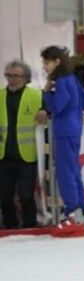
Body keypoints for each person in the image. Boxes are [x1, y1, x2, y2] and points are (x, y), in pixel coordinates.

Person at [41, 46, 84, 237]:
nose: (44, 67)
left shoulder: (61, 80)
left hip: (64, 130)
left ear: (57, 61)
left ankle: (72, 214)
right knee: (74, 171)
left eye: (46, 62)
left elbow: (58, 106)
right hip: (75, 128)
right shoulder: (72, 78)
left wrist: (47, 93)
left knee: (65, 172)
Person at [0, 60, 48, 229]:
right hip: (4, 155)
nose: (11, 79)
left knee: (26, 195)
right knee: (4, 197)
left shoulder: (37, 95)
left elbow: (52, 106)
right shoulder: (0, 95)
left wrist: (46, 110)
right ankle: (11, 227)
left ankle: (29, 226)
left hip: (27, 155)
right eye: (8, 75)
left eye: (16, 76)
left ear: (26, 77)